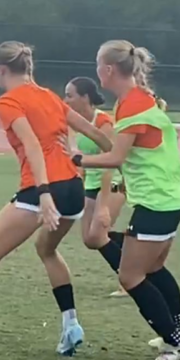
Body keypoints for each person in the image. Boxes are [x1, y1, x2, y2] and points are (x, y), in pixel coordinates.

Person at [0, 41, 113, 360]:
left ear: (0, 70)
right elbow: (99, 135)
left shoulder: (9, 101)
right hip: (73, 188)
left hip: (44, 189)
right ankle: (71, 325)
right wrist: (81, 158)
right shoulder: (49, 96)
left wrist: (43, 194)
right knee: (47, 249)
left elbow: (31, 144)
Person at [71, 40, 180, 360]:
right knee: (152, 269)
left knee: (131, 275)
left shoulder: (131, 106)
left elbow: (115, 156)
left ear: (108, 70)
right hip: (168, 198)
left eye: (98, 64)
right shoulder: (139, 98)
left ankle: (175, 343)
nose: (97, 70)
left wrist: (75, 158)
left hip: (156, 202)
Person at [63, 76, 129, 298]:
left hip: (113, 182)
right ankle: (136, 246)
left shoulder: (103, 122)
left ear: (85, 97)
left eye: (70, 95)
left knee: (98, 233)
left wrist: (102, 205)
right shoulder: (76, 122)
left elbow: (111, 160)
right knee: (91, 239)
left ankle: (130, 279)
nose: (66, 99)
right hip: (90, 183)